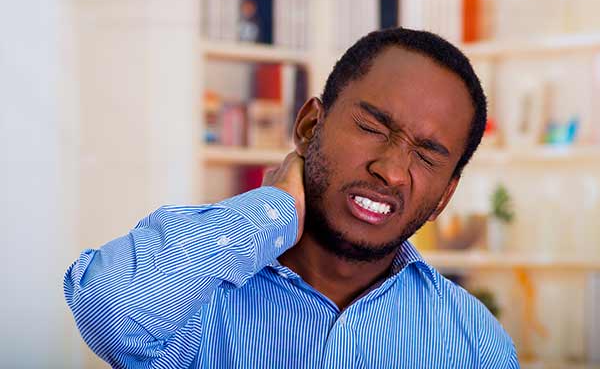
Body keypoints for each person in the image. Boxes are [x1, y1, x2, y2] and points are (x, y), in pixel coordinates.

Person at [64, 28, 519, 368]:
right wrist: (273, 208)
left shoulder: (472, 344)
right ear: (308, 127)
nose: (392, 171)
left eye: (427, 155)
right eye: (372, 128)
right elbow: (109, 305)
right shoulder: (200, 300)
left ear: (445, 195)